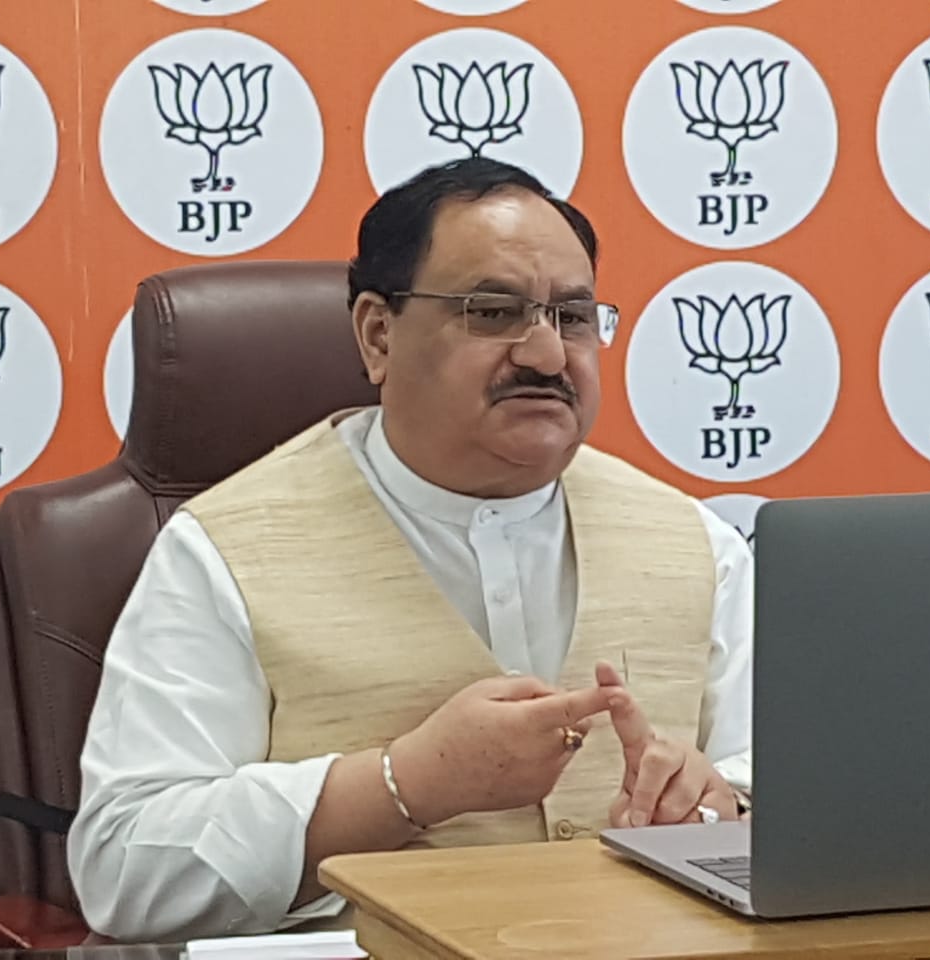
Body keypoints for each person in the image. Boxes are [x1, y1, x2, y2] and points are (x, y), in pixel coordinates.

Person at [67, 157, 754, 941]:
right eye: (492, 312)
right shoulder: (221, 550)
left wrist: (713, 812)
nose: (547, 356)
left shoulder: (699, 543)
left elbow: (788, 799)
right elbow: (128, 871)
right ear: (378, 333)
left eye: (572, 317)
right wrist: (406, 784)